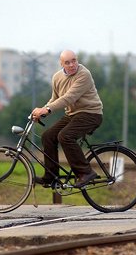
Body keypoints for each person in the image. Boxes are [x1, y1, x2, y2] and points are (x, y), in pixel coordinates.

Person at [32, 50, 103, 188]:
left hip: (91, 114)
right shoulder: (57, 77)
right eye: (67, 62)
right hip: (73, 114)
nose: (72, 65)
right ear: (61, 64)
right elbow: (55, 99)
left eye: (74, 60)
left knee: (65, 136)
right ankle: (51, 177)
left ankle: (85, 173)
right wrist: (42, 111)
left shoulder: (84, 74)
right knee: (48, 136)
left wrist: (46, 109)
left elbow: (69, 97)